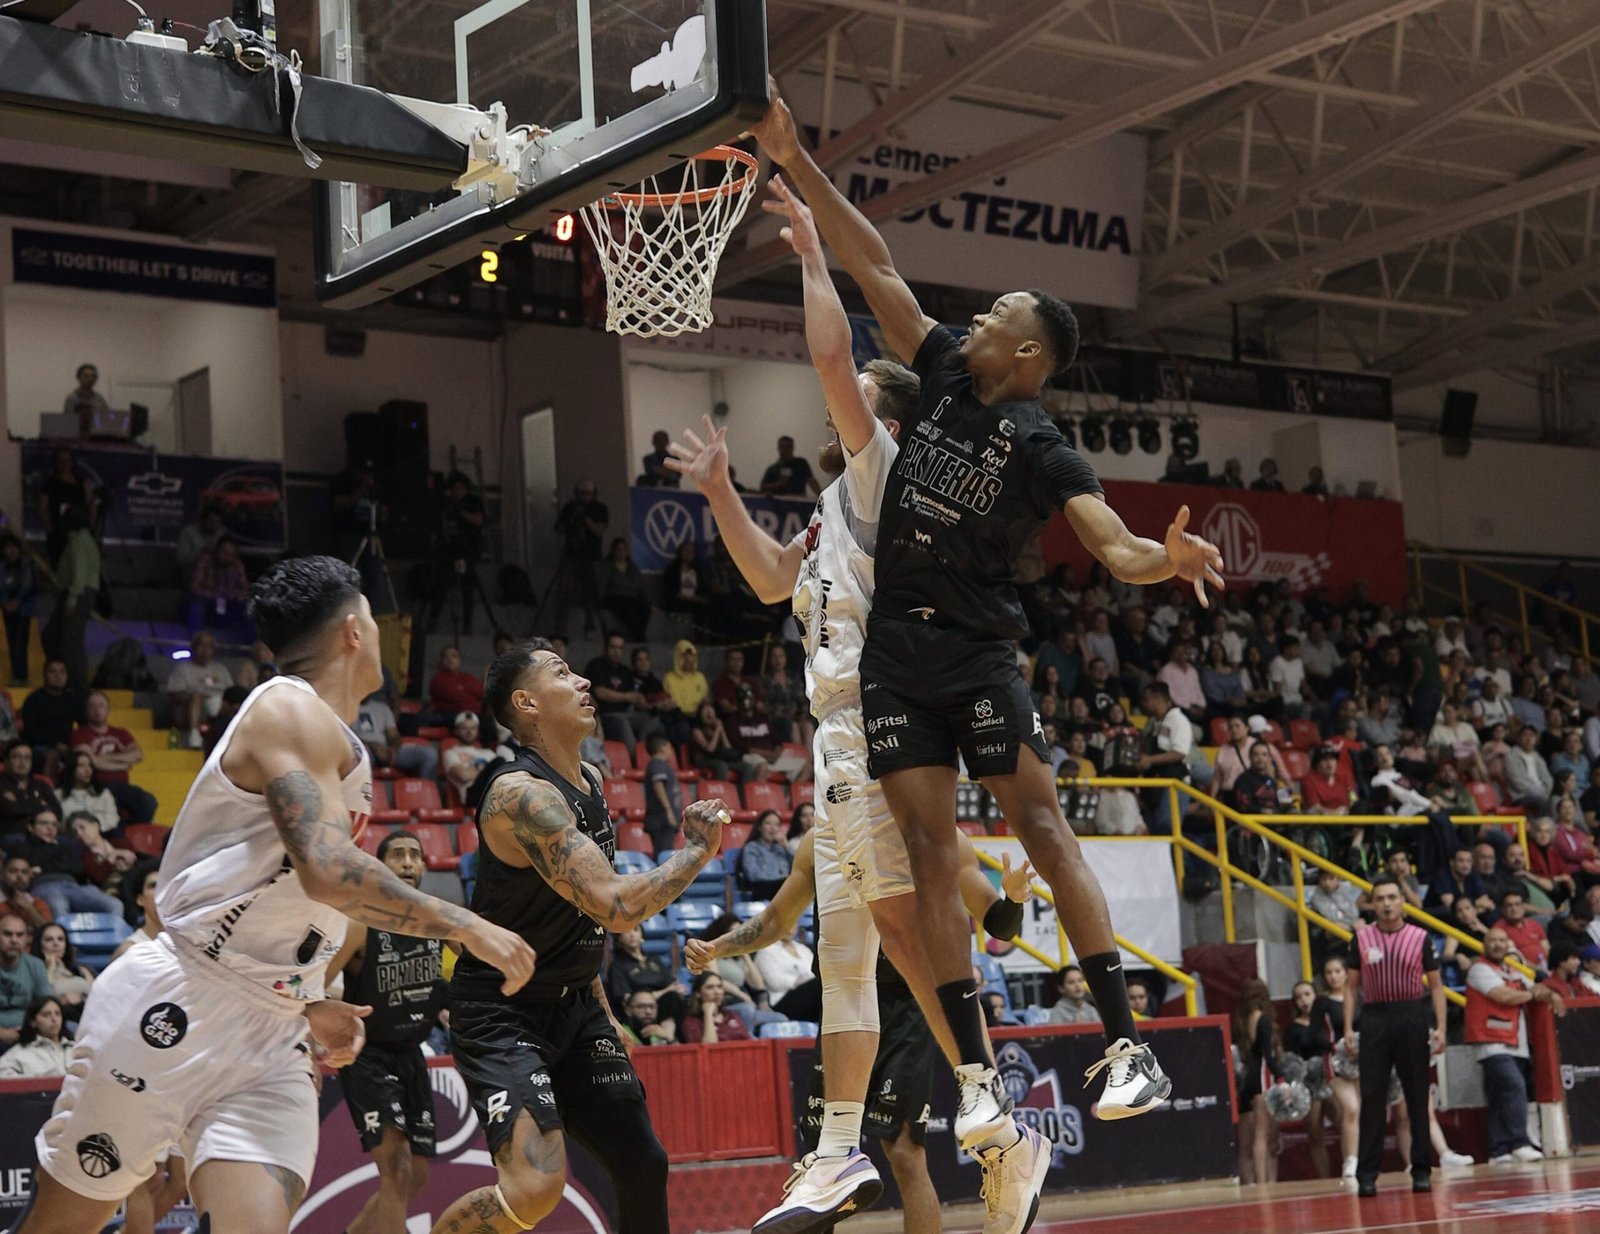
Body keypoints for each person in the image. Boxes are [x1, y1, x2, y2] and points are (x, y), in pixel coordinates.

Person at [750, 90, 1219, 1140]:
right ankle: (976, 1080)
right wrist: (799, 161)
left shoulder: (1045, 445)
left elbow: (1110, 543)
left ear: (1026, 358)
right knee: (926, 857)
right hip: (894, 656)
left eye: (995, 318)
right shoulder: (939, 373)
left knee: (1042, 828)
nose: (974, 323)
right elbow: (875, 262)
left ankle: (1123, 1042)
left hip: (975, 653)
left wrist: (1163, 557)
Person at [666, 169, 1053, 1231]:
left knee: (899, 930)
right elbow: (764, 582)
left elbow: (834, 355)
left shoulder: (885, 475)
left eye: (856, 409)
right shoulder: (832, 512)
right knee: (849, 949)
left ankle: (998, 1114)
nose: (837, 412)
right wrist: (714, 494)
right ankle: (838, 1150)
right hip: (838, 741)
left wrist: (805, 255)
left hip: (882, 733)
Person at [11, 555, 535, 1234]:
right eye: (375, 620)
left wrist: (308, 995)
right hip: (180, 1001)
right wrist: (467, 925)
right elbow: (325, 870)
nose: (380, 634)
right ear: (354, 631)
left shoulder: (334, 738)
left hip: (272, 1031)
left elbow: (295, 896)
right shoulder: (287, 708)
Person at [430, 640, 728, 1234]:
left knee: (643, 1162)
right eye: (562, 674)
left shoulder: (590, 779)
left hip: (576, 1005)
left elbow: (572, 918)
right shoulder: (520, 795)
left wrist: (600, 1004)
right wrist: (694, 852)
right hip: (502, 1012)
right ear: (527, 703)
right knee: (536, 1188)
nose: (584, 682)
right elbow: (614, 907)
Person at [689, 829, 1031, 1234]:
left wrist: (1014, 898)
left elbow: (1000, 925)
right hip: (844, 1001)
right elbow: (777, 919)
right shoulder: (819, 841)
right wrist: (719, 946)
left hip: (907, 1004)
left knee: (905, 1153)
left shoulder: (932, 828)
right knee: (824, 1157)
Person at [325, 831, 448, 1234]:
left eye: (415, 854)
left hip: (411, 1052)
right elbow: (316, 983)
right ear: (381, 867)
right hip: (369, 1055)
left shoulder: (436, 922)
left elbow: (455, 984)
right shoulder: (360, 923)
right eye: (398, 855)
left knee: (417, 1175)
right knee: (394, 1167)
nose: (409, 862)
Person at [1345, 875, 1448, 1197]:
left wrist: (1441, 1027)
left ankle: (1421, 1170)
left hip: (1412, 1014)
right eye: (1380, 898)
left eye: (1392, 897)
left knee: (1417, 1095)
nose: (1387, 903)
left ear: (1401, 901)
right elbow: (1350, 987)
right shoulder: (1360, 939)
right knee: (1372, 1097)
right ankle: (1366, 1174)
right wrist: (1349, 1027)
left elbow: (1435, 986)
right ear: (1373, 903)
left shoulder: (1420, 937)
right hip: (1375, 1017)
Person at [1465, 925, 1561, 1167]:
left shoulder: (1514, 969)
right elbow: (1504, 996)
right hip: (1491, 1041)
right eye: (1492, 940)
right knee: (1514, 1087)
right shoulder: (1479, 969)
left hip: (1516, 1041)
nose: (1497, 944)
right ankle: (1520, 1142)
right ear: (1485, 945)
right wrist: (1533, 994)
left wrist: (1548, 992)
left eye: (1502, 940)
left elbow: (1539, 984)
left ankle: (1498, 1150)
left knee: (1499, 1096)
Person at [9, 806, 122, 919]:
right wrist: (56, 860)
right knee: (59, 907)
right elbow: (19, 871)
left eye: (54, 824)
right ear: (30, 827)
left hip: (74, 886)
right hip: (44, 886)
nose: (50, 828)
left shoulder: (67, 844)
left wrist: (42, 868)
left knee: (115, 905)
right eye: (44, 823)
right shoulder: (21, 848)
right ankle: (61, 937)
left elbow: (77, 867)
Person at [70, 690, 156, 824]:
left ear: (108, 709)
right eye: (92, 706)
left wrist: (102, 758)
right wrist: (123, 764)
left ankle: (131, 834)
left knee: (148, 802)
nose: (97, 710)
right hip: (97, 786)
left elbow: (138, 754)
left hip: (123, 786)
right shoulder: (79, 734)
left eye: (101, 705)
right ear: (86, 710)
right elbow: (94, 762)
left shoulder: (121, 733)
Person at [1284, 979, 1341, 1178]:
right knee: (1316, 1135)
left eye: (1307, 994)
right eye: (1298, 997)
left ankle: (1353, 1168)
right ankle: (1325, 1179)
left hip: (1331, 1078)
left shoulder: (1327, 1021)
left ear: (1316, 996)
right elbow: (1290, 1060)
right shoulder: (1292, 1029)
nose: (1304, 1000)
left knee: (1345, 1121)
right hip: (1309, 1084)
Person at [43, 505, 100, 693]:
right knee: (53, 636)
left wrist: (72, 597)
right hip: (73, 593)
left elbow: (80, 573)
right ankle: (63, 678)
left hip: (77, 594)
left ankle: (79, 687)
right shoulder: (82, 540)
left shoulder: (79, 542)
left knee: (71, 643)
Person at [1234, 977, 1283, 1184]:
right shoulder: (1263, 1019)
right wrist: (1280, 1076)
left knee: (1250, 1140)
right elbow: (1267, 1054)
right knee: (1263, 1135)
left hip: (1248, 1077)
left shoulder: (1243, 1020)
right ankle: (1264, 1183)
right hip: (1262, 1076)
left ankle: (1253, 1182)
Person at [553, 479, 609, 636]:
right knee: (564, 590)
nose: (584, 496)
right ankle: (560, 628)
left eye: (588, 493)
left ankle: (590, 627)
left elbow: (600, 530)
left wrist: (586, 519)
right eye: (582, 493)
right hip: (571, 555)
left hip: (592, 556)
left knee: (591, 591)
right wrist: (571, 520)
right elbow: (559, 528)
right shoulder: (570, 508)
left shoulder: (599, 509)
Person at [165, 631, 235, 750]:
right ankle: (195, 736)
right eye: (201, 645)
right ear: (194, 647)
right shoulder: (183, 669)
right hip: (194, 706)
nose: (205, 650)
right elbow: (174, 693)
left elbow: (232, 692)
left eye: (209, 646)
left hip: (220, 705)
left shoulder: (220, 669)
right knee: (197, 696)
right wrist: (199, 697)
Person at [356, 690, 440, 783]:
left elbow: (394, 735)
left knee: (429, 754)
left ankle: (426, 794)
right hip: (362, 748)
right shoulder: (345, 709)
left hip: (385, 748)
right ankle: (365, 795)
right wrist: (373, 747)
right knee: (363, 756)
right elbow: (346, 739)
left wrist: (393, 749)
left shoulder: (382, 708)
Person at [0, 912, 53, 1048]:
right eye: (7, 934)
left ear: (26, 939)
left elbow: (45, 1005)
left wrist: (29, 1029)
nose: (14, 940)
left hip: (29, 1032)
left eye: (19, 935)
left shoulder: (35, 965)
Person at [33, 914, 92, 1026]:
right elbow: (43, 1000)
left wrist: (79, 998)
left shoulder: (81, 970)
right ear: (40, 945)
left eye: (60, 939)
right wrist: (50, 968)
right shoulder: (35, 972)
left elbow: (97, 997)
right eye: (49, 939)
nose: (56, 944)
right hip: (61, 1022)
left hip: (87, 1016)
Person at [187, 536, 251, 633]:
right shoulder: (205, 560)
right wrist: (214, 594)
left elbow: (245, 589)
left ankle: (253, 645)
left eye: (231, 554)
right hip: (208, 601)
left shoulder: (237, 564)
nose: (228, 557)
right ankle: (197, 640)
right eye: (225, 553)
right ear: (217, 550)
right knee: (197, 605)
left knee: (249, 607)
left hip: (229, 602)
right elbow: (195, 587)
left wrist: (233, 594)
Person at [0, 994, 72, 1077]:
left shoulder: (75, 1049)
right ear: (33, 1022)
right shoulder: (18, 1053)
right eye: (46, 1015)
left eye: (57, 1014)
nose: (54, 1019)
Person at [597, 538, 653, 642]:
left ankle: (639, 633)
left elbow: (640, 585)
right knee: (628, 608)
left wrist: (648, 601)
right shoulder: (608, 566)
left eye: (623, 550)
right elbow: (602, 584)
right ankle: (638, 636)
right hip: (614, 597)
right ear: (613, 551)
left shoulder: (633, 567)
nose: (621, 552)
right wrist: (598, 602)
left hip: (632, 596)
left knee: (645, 608)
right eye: (618, 549)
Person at [1, 534, 38, 686]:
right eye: (7, 548)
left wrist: (17, 602)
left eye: (13, 547)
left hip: (23, 610)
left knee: (21, 642)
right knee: (12, 641)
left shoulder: (26, 565)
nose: (11, 551)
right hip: (8, 610)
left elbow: (27, 585)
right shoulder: (2, 566)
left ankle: (22, 676)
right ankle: (16, 675)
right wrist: (5, 603)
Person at [641, 734, 684, 857]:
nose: (671, 751)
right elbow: (658, 785)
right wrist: (668, 811)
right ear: (663, 748)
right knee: (663, 856)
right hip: (661, 820)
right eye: (670, 747)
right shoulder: (657, 764)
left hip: (665, 821)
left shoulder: (661, 765)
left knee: (665, 853)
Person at [737, 809, 795, 899]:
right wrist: (781, 879)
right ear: (760, 827)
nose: (772, 827)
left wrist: (787, 846)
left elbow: (799, 864)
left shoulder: (781, 848)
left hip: (783, 887)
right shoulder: (751, 847)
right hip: (762, 888)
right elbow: (753, 875)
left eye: (776, 825)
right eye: (768, 823)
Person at [110, 864, 163, 961]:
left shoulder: (188, 943)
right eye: (153, 886)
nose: (160, 891)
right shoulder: (129, 950)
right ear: (140, 899)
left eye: (164, 885)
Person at [175, 505, 225, 584]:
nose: (214, 526)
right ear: (203, 520)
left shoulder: (221, 535)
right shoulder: (189, 533)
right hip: (193, 574)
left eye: (217, 522)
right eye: (211, 522)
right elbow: (181, 559)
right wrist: (201, 553)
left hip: (216, 575)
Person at [3, 854, 52, 932]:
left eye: (24, 872)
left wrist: (29, 909)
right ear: (2, 875)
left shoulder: (38, 904)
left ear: (30, 877)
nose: (19, 876)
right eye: (13, 871)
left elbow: (49, 934)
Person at [63, 363, 108, 432]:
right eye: (86, 376)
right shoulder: (72, 399)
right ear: (79, 378)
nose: (90, 379)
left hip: (97, 436)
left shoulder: (100, 399)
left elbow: (106, 419)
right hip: (76, 435)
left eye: (93, 376)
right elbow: (68, 421)